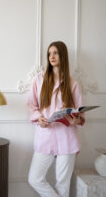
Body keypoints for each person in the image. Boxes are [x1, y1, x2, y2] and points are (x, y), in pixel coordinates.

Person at [27, 41, 85, 197]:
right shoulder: (39, 80)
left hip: (67, 137)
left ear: (62, 55)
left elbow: (80, 113)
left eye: (55, 53)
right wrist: (39, 117)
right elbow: (32, 105)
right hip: (45, 136)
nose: (51, 56)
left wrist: (75, 120)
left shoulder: (72, 84)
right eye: (49, 53)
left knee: (63, 184)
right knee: (34, 179)